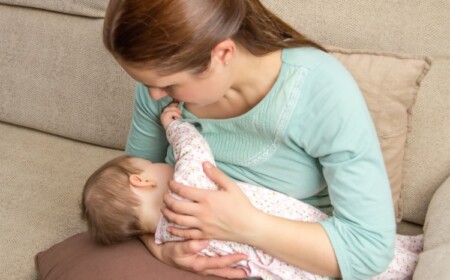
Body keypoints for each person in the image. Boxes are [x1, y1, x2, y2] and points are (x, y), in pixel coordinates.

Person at [102, 0, 398, 278]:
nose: (153, 95)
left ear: (222, 54)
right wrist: (160, 247)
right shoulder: (158, 91)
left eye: (167, 83)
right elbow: (130, 181)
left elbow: (368, 249)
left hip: (287, 262)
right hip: (185, 251)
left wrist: (245, 225)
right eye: (145, 83)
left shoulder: (319, 88)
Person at [81, 104, 423, 280]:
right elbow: (193, 149)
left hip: (280, 271)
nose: (158, 163)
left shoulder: (171, 240)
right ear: (140, 181)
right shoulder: (185, 187)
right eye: (147, 164)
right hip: (295, 232)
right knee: (375, 256)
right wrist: (174, 124)